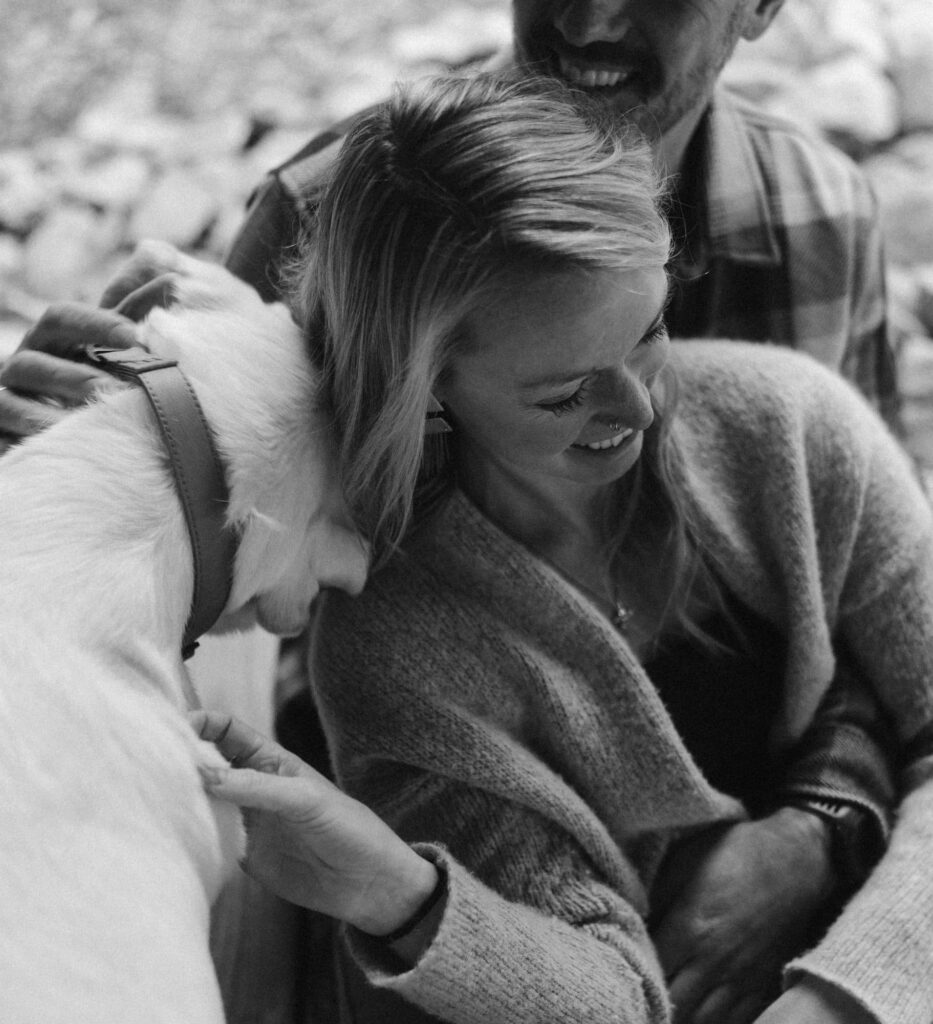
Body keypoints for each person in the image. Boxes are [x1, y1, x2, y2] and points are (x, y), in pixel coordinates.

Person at [0, 0, 901, 1015]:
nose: (595, 12)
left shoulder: (817, 250)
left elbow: (877, 628)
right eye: (559, 385)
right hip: (453, 876)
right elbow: (173, 506)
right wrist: (58, 449)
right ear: (423, 385)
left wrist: (823, 823)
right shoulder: (333, 221)